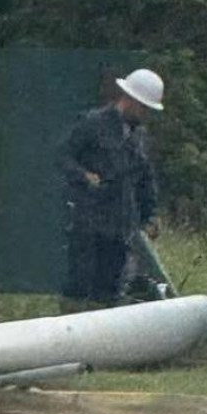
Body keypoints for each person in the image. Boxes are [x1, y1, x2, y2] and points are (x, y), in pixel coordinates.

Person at [59, 68, 165, 309]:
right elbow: (63, 156)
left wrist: (150, 214)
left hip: (119, 228)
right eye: (144, 108)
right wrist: (84, 176)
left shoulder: (140, 137)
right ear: (129, 99)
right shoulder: (92, 123)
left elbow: (145, 179)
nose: (146, 114)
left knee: (108, 291)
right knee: (79, 286)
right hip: (87, 222)